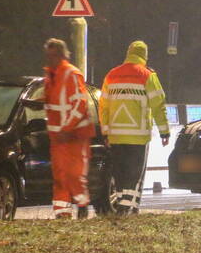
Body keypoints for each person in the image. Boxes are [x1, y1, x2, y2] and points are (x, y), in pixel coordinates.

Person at [99, 40, 170, 214]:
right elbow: (158, 105)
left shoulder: (111, 75)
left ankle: (126, 204)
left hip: (116, 134)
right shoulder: (147, 75)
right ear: (144, 56)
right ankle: (127, 205)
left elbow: (103, 106)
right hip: (138, 135)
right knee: (134, 172)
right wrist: (164, 131)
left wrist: (105, 131)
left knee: (120, 171)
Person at [42, 38, 94, 219]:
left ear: (62, 55)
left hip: (75, 135)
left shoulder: (71, 73)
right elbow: (53, 102)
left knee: (74, 174)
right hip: (58, 135)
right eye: (48, 55)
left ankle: (82, 203)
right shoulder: (49, 76)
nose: (50, 59)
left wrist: (67, 128)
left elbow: (80, 103)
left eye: (53, 55)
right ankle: (62, 213)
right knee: (59, 175)